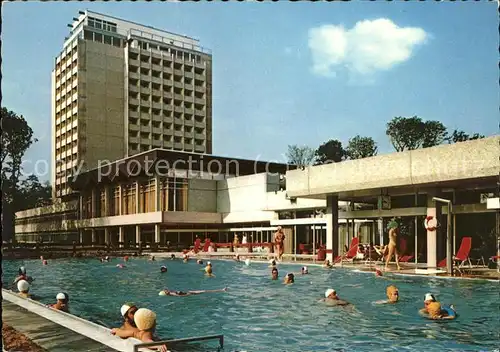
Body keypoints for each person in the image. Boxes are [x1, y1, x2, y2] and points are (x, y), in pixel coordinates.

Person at [159, 287, 227, 296]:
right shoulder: (172, 294)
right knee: (204, 291)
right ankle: (221, 290)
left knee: (204, 290)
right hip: (189, 293)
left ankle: (221, 290)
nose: (167, 290)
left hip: (189, 292)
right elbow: (180, 295)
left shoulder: (171, 292)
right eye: (166, 291)